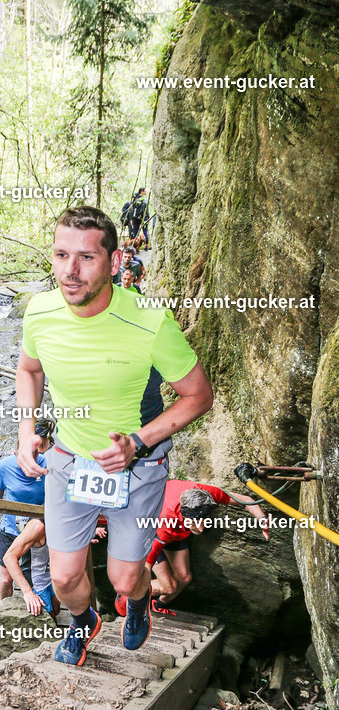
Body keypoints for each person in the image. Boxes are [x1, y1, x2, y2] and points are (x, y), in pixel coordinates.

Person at [15, 205, 213, 664]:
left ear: (115, 260)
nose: (70, 271)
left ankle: (139, 600)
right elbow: (29, 370)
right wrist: (27, 429)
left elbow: (199, 396)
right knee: (64, 579)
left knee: (125, 579)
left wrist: (137, 443)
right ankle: (84, 622)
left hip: (139, 468)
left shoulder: (149, 321)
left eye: (86, 257)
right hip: (68, 461)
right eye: (61, 255)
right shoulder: (40, 312)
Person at [116, 481, 270, 613]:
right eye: (195, 522)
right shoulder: (163, 524)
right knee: (169, 587)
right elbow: (146, 568)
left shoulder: (206, 495)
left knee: (184, 578)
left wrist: (262, 519)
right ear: (184, 516)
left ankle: (157, 606)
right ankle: (127, 595)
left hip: (175, 532)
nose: (201, 529)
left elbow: (246, 499)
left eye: (205, 521)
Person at [0, 420, 53, 598]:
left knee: (31, 576)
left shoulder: (46, 463)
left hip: (34, 529)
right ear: (16, 454)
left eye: (36, 453)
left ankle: (36, 606)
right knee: (7, 578)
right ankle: (4, 608)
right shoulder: (5, 466)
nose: (33, 458)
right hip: (10, 527)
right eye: (27, 455)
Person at [3, 518, 59, 617]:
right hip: (37, 580)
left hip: (52, 575)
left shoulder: (68, 519)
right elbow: (9, 557)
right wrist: (27, 592)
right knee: (48, 617)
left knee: (56, 609)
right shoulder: (37, 526)